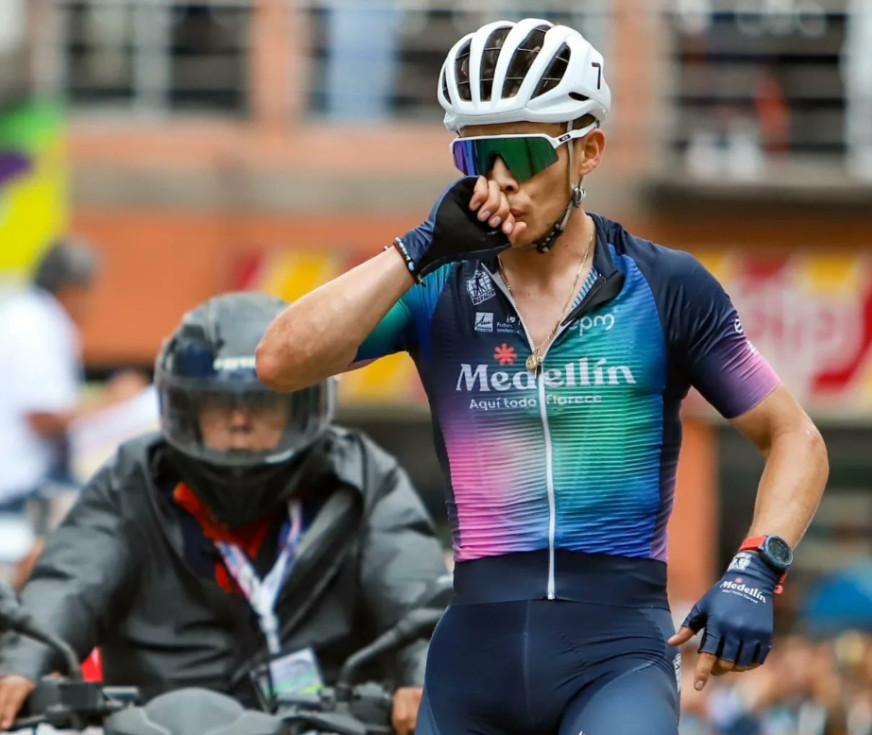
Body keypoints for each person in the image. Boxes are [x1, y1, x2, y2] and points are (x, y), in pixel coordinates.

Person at [255, 18, 829, 735]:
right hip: (473, 658)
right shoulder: (435, 285)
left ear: (586, 150)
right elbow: (278, 361)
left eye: (522, 152)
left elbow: (794, 437)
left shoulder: (664, 286)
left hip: (615, 656)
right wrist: (420, 246)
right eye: (476, 153)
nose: (498, 180)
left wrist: (755, 566)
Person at [0, 292, 447, 735]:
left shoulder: (365, 477)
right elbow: (73, 579)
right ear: (184, 409)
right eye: (219, 405)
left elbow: (411, 588)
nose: (238, 422)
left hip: (323, 724)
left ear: (304, 404)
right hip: (148, 726)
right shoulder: (133, 476)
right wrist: (22, 663)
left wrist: (424, 672)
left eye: (261, 403)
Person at [0, 240, 144, 564]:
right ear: (71, 289)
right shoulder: (33, 324)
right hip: (19, 492)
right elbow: (41, 416)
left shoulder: (28, 316)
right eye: (89, 293)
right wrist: (114, 401)